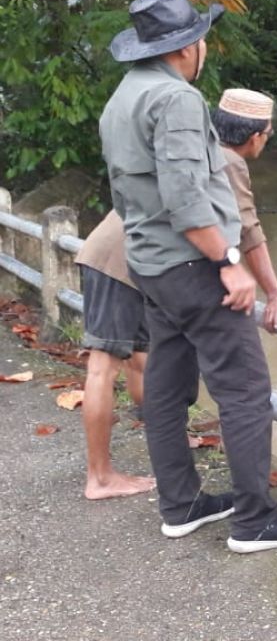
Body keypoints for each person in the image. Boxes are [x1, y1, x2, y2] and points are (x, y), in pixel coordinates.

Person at [99, 0, 277, 552]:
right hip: (193, 268)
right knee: (246, 390)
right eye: (202, 40)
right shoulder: (176, 101)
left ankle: (181, 505)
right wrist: (227, 262)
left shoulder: (122, 97)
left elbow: (127, 197)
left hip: (150, 267)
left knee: (169, 390)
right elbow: (184, 196)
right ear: (187, 47)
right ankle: (254, 520)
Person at [74, 210, 156, 500]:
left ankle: (166, 435)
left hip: (135, 259)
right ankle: (100, 478)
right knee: (103, 364)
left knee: (141, 354)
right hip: (117, 261)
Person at [211, 88, 277, 331]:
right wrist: (275, 295)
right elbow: (248, 229)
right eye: (269, 133)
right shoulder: (229, 161)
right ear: (255, 137)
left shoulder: (202, 149)